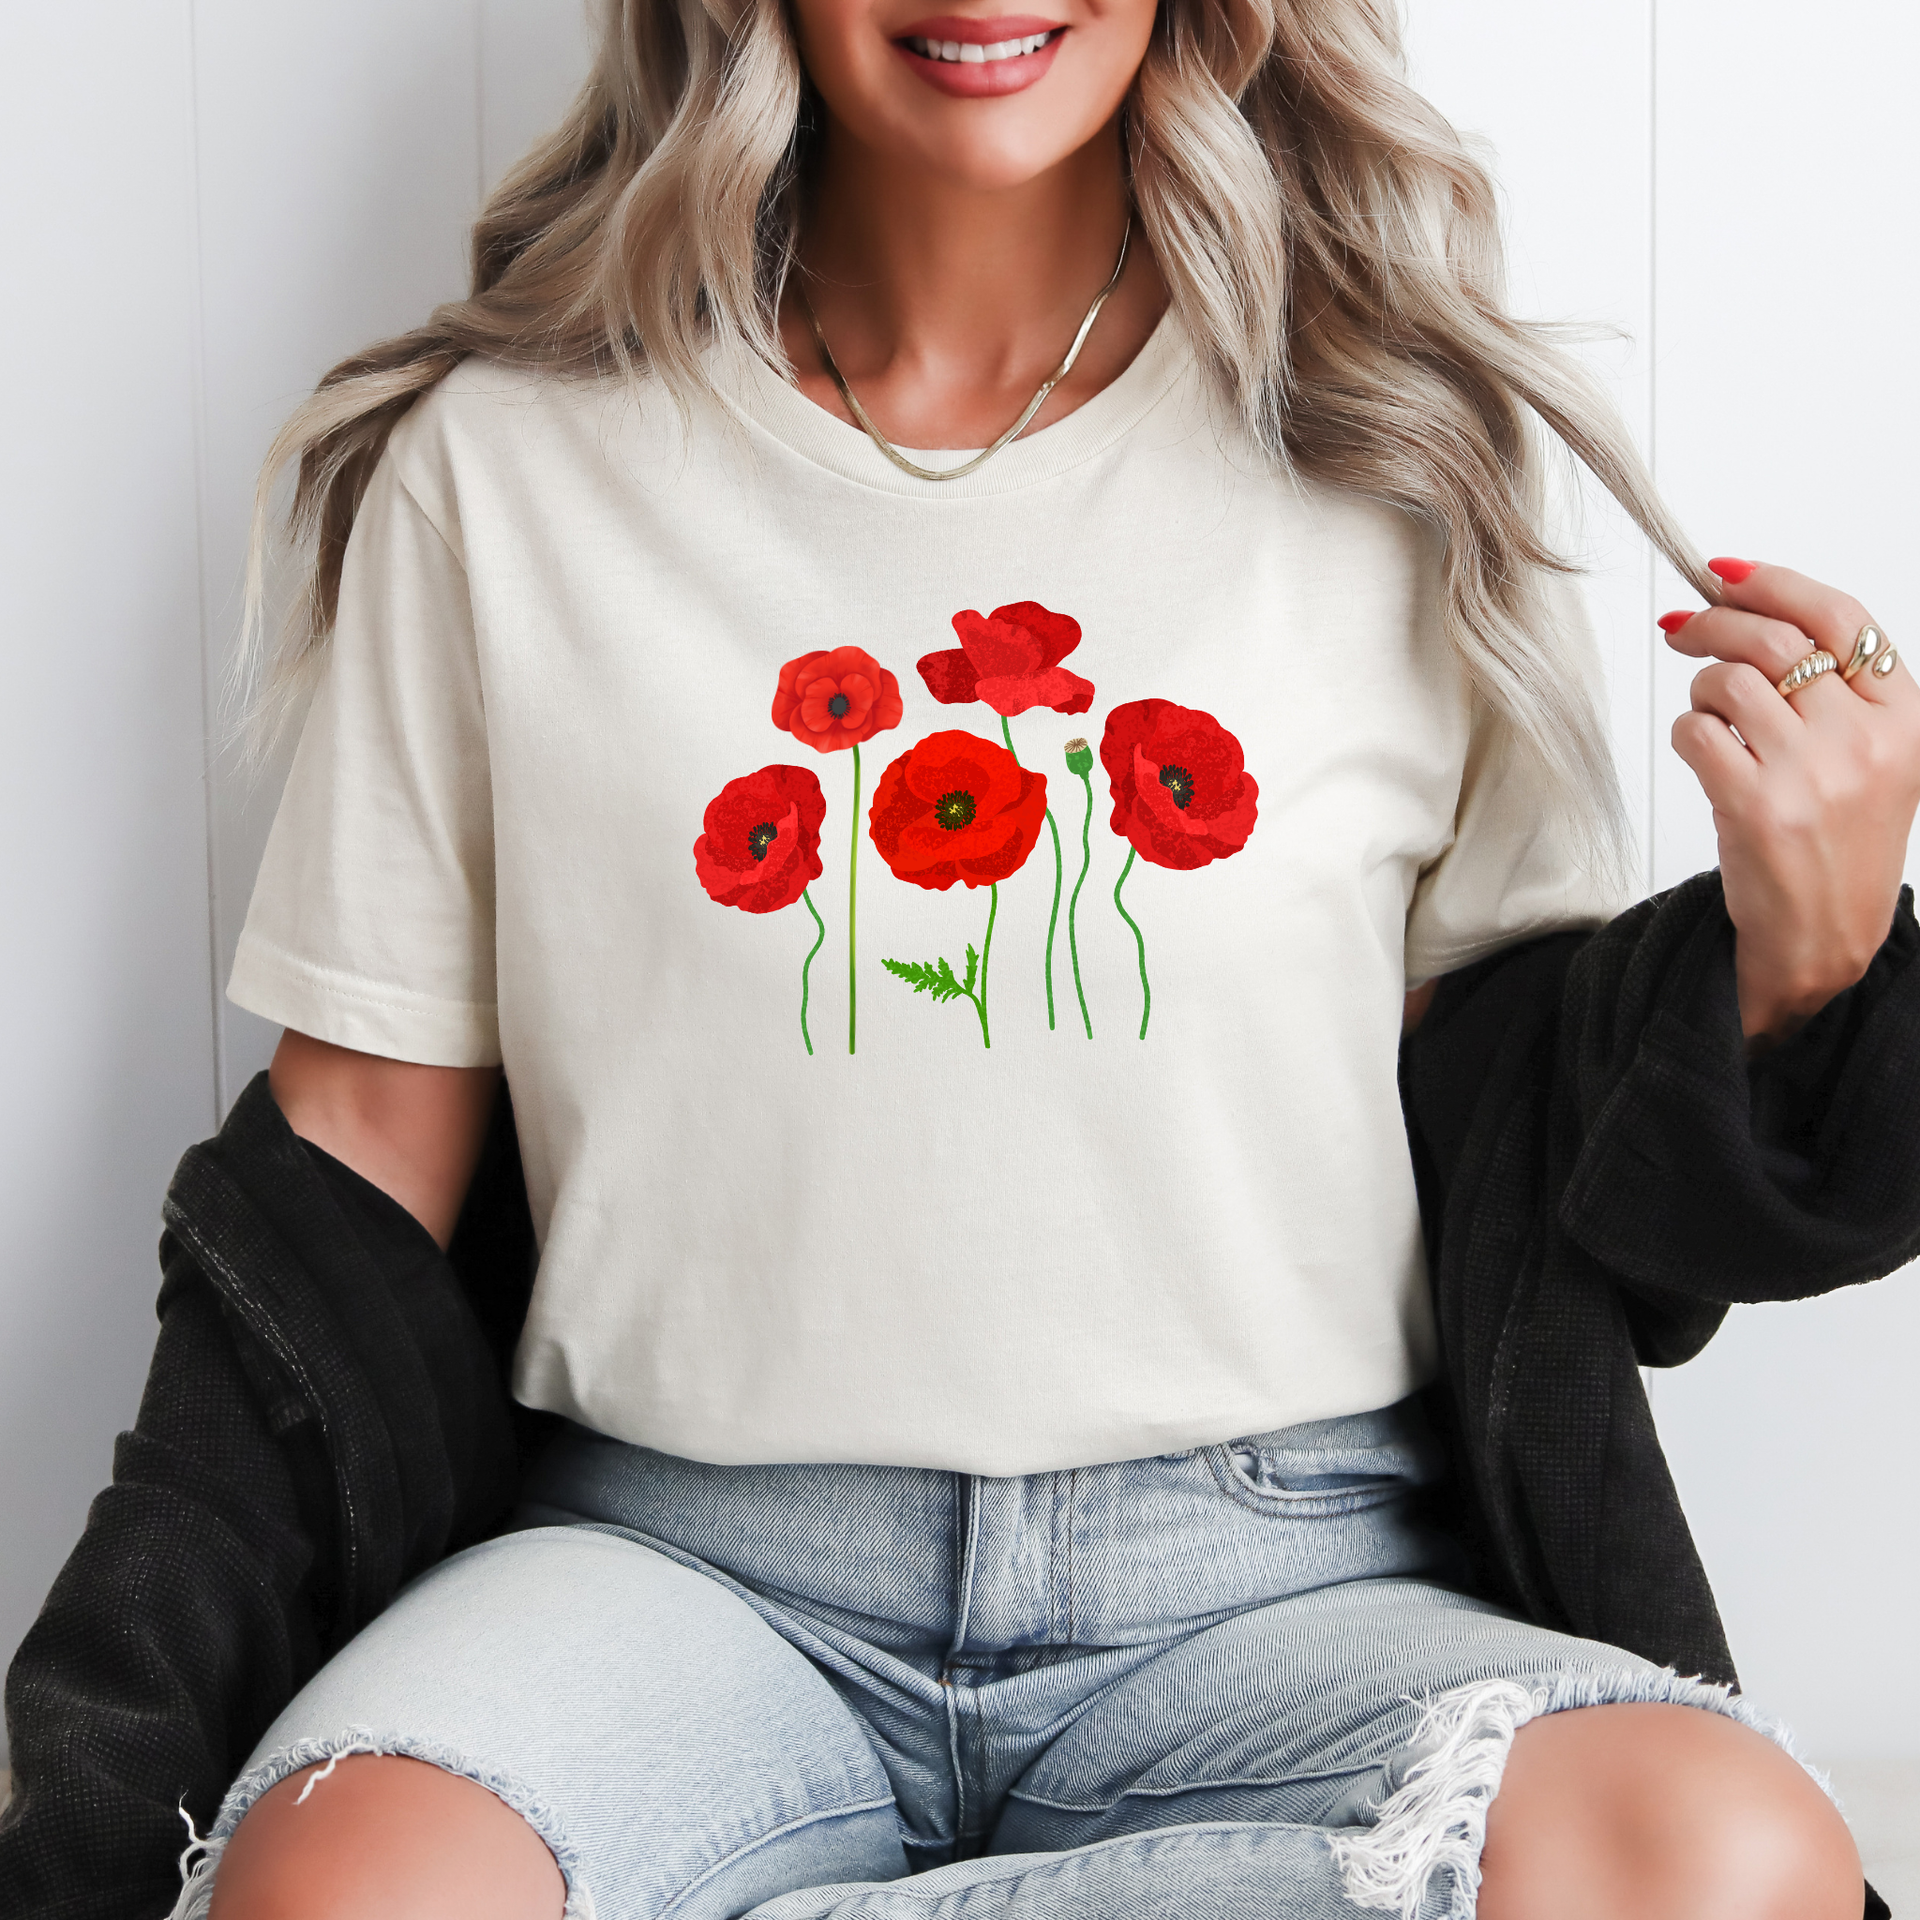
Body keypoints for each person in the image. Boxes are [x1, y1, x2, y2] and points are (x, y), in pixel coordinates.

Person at [18, 0, 1920, 1915]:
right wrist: (102, 1746)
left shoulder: (1406, 456)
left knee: (1730, 1860)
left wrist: (1810, 963)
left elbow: (1528, 1161)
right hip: (678, 1585)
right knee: (342, 1898)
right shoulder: (496, 469)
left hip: (1289, 1582)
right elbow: (345, 1178)